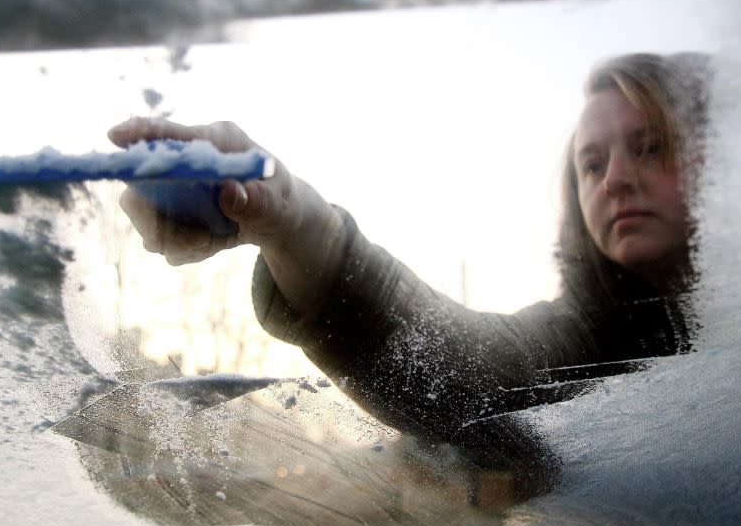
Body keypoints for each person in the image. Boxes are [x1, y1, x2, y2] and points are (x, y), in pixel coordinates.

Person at [109, 52, 710, 443]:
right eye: (592, 163)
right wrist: (292, 222)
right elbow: (464, 372)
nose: (615, 180)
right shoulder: (595, 343)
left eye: (651, 147)